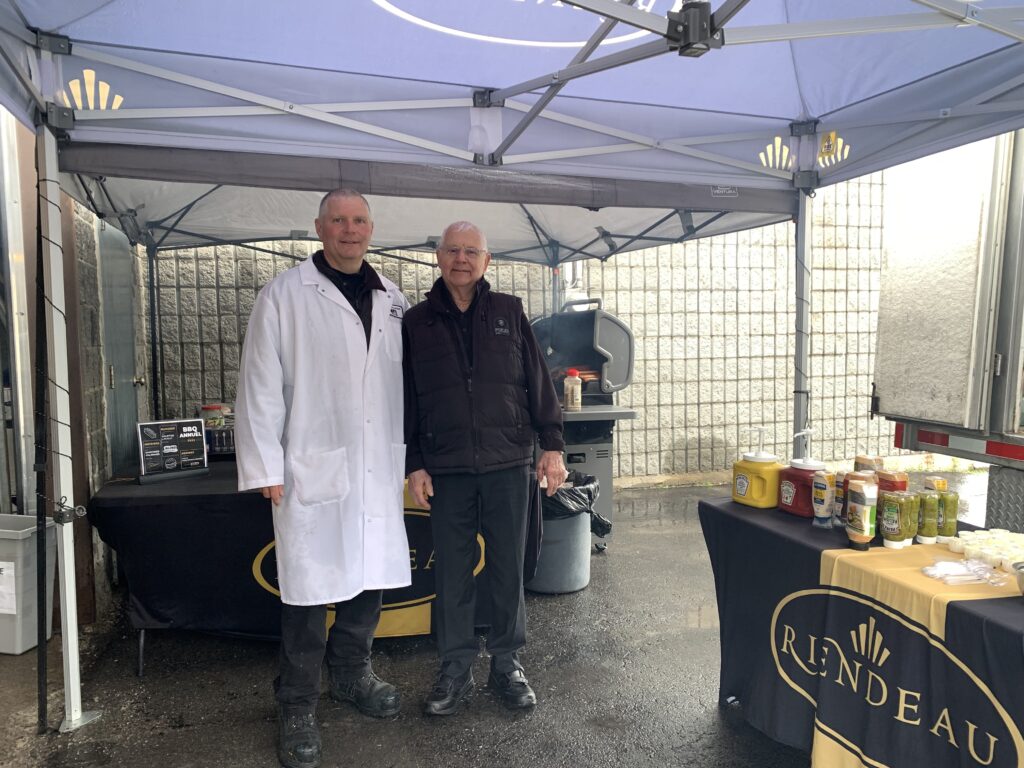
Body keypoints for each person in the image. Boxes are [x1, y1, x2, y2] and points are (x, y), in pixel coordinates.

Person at [235, 189, 411, 768]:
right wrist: (264, 463)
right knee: (308, 592)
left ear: (371, 229)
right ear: (319, 227)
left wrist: (415, 459)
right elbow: (259, 385)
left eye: (359, 220)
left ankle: (352, 675)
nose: (350, 229)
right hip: (309, 465)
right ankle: (297, 703)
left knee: (369, 579)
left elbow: (407, 387)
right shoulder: (284, 295)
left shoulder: (393, 300)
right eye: (339, 220)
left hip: (375, 466)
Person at [403, 221, 568, 716]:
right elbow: (407, 398)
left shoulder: (509, 312)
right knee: (452, 574)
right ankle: (454, 667)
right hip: (447, 467)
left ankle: (507, 663)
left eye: (471, 251)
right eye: (453, 250)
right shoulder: (416, 322)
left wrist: (552, 446)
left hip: (508, 462)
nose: (462, 259)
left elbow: (538, 381)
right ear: (438, 256)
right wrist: (415, 463)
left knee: (506, 570)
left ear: (486, 260)